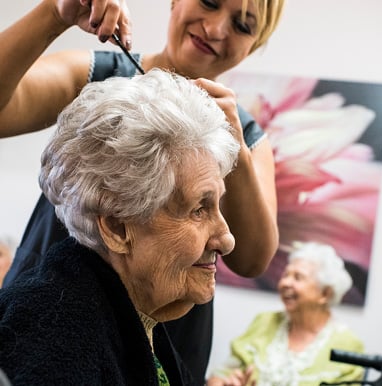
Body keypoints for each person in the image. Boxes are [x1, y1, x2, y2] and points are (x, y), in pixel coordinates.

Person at [0, 0, 283, 383]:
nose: (216, 29)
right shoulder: (99, 79)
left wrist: (236, 149)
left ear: (255, 43)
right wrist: (55, 13)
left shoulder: (243, 133)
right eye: (210, 2)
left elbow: (252, 259)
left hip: (166, 326)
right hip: (57, 319)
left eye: (243, 25)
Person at [0, 68, 240, 385]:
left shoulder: (137, 320)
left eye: (217, 206)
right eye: (198, 209)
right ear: (117, 228)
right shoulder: (52, 340)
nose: (227, 240)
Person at [207, 242, 365, 386]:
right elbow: (218, 377)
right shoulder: (264, 322)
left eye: (298, 277)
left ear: (325, 294)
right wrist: (225, 382)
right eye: (285, 275)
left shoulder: (348, 346)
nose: (285, 283)